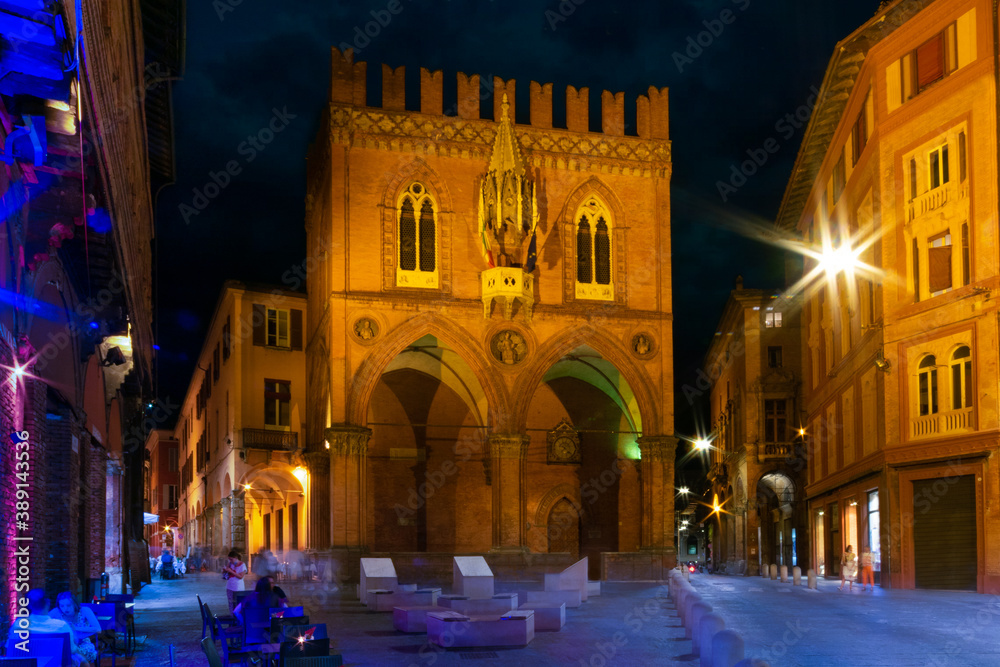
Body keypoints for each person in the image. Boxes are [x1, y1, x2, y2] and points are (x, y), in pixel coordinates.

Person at [10, 589, 87, 666]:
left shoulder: (18, 625)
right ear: (48, 603)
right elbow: (72, 650)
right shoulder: (61, 626)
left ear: (29, 605)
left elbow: (10, 651)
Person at [49, 592, 100, 666]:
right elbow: (44, 622)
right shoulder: (57, 612)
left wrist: (75, 628)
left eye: (68, 605)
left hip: (83, 643)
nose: (65, 609)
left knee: (72, 655)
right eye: (62, 606)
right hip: (65, 644)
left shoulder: (84, 610)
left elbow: (98, 629)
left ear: (74, 604)